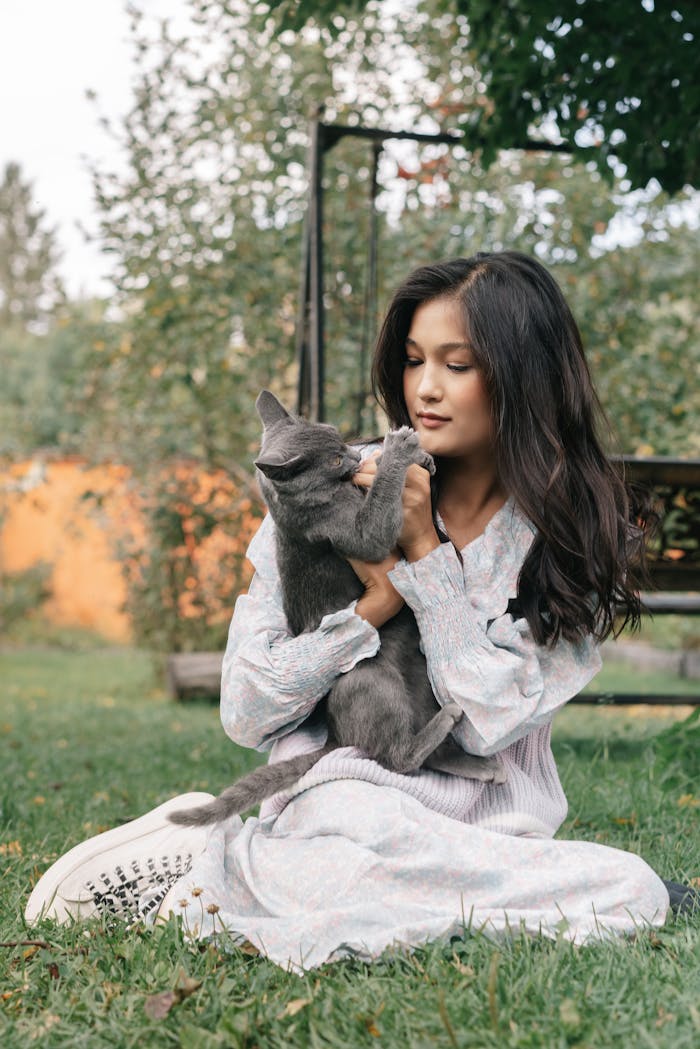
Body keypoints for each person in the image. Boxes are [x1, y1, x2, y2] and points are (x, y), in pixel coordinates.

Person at [25, 251, 697, 970]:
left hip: (495, 831)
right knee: (364, 823)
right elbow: (247, 708)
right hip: (346, 803)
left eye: (458, 364)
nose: (424, 389)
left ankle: (224, 876)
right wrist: (371, 611)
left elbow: (488, 721)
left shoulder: (571, 532)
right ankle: (226, 867)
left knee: (627, 885)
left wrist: (426, 554)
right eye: (412, 360)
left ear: (524, 376)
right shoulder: (320, 484)